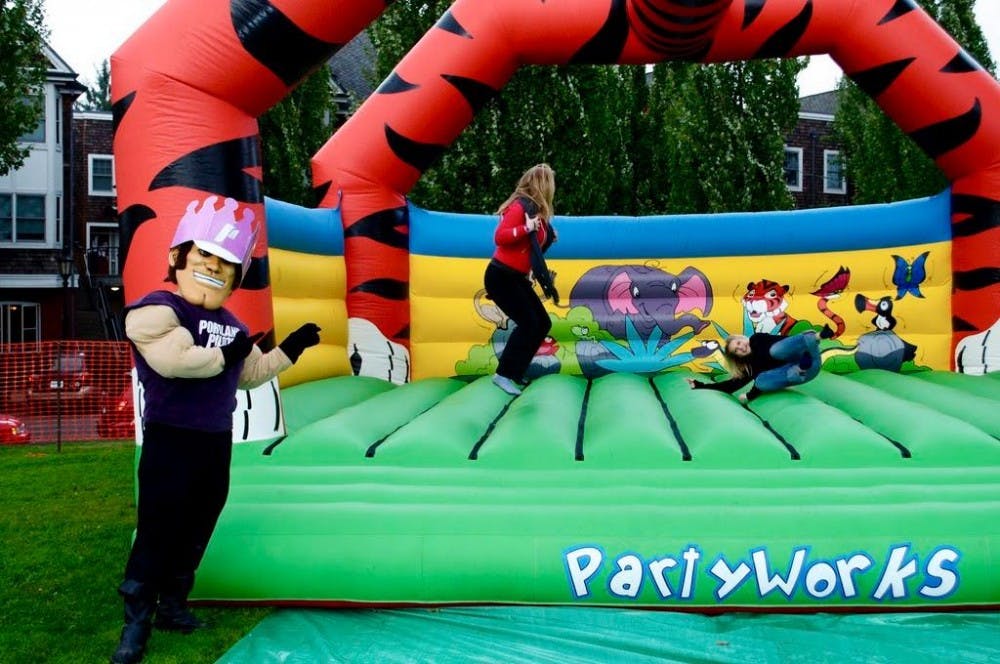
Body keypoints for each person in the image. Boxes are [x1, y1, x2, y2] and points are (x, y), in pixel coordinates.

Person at [111, 196, 321, 664]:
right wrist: (228, 353)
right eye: (205, 254)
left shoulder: (232, 324)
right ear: (178, 256)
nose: (213, 267)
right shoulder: (157, 310)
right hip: (170, 437)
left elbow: (249, 373)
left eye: (226, 262)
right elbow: (176, 361)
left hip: (214, 439)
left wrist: (291, 348)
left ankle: (173, 606)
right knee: (159, 526)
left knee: (198, 523)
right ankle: (136, 621)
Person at [484, 163, 558, 396]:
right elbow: (500, 237)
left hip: (516, 278)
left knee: (542, 323)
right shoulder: (520, 207)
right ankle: (503, 375)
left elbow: (529, 251)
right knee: (528, 323)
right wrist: (525, 228)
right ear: (543, 185)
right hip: (501, 276)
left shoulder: (538, 214)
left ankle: (515, 372)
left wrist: (548, 238)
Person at [686, 330, 821, 402]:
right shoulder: (750, 367)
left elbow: (782, 342)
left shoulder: (757, 339)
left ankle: (813, 337)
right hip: (806, 372)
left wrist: (801, 341)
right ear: (738, 357)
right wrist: (700, 385)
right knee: (760, 381)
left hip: (805, 351)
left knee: (775, 350)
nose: (740, 347)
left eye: (738, 343)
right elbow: (729, 386)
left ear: (742, 338)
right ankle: (800, 368)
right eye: (736, 351)